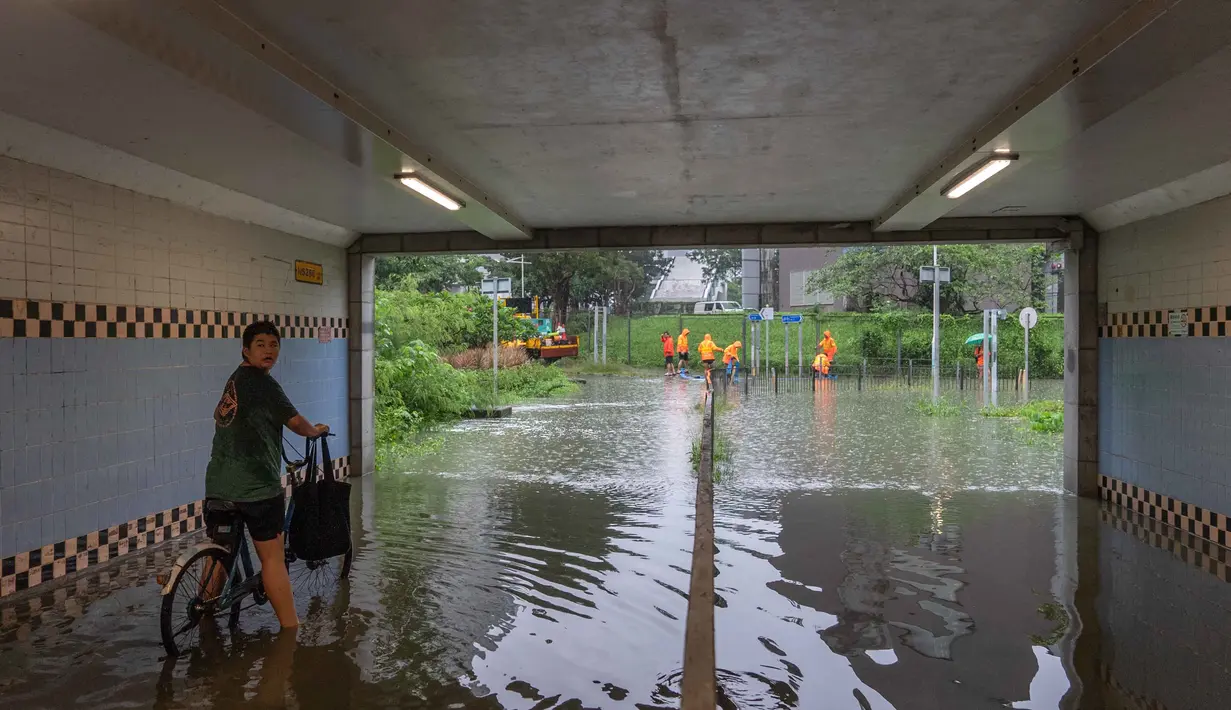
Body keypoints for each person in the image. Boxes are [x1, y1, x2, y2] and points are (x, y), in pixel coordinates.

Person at [204, 321, 330, 630]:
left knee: (220, 549)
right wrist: (315, 431)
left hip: (218, 485)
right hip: (256, 487)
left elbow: (230, 417)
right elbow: (296, 422)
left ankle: (204, 612)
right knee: (272, 558)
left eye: (273, 344)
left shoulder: (235, 380)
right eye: (260, 344)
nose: (268, 350)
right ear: (246, 350)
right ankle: (291, 630)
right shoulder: (263, 383)